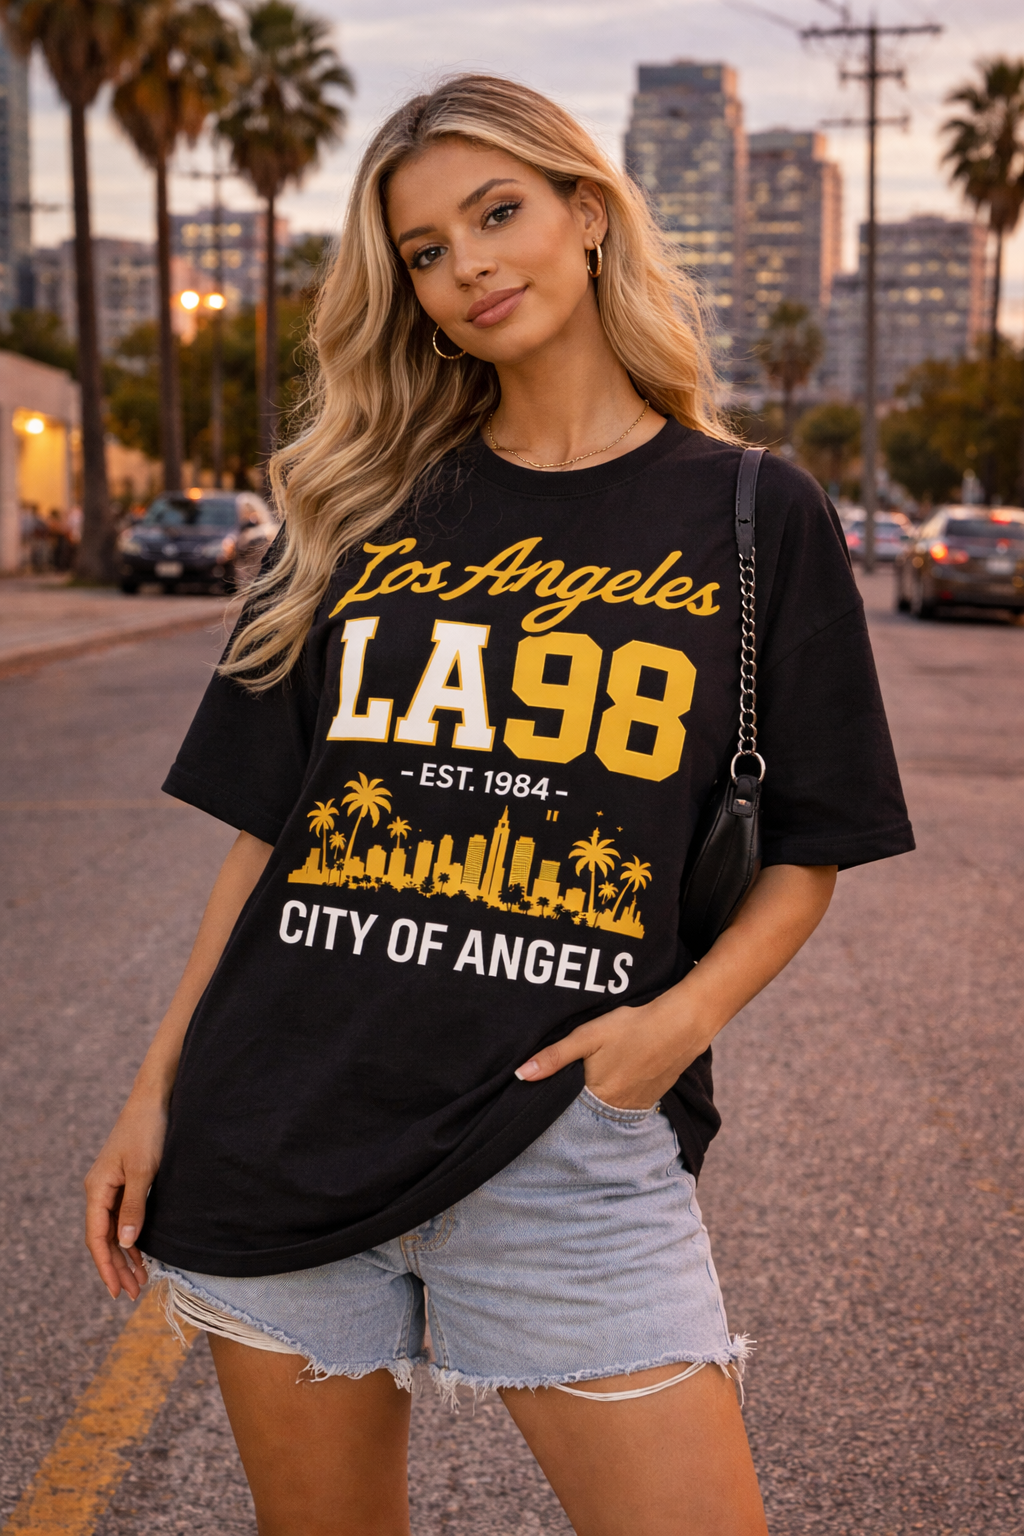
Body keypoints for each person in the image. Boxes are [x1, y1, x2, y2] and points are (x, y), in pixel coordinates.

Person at [85, 75, 914, 1536]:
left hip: (563, 1149)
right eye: (422, 248)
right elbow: (271, 839)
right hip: (284, 1124)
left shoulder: (750, 511)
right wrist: (154, 1094)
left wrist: (671, 1029)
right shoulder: (362, 506)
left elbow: (812, 851)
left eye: (498, 212)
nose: (467, 263)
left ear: (586, 214)